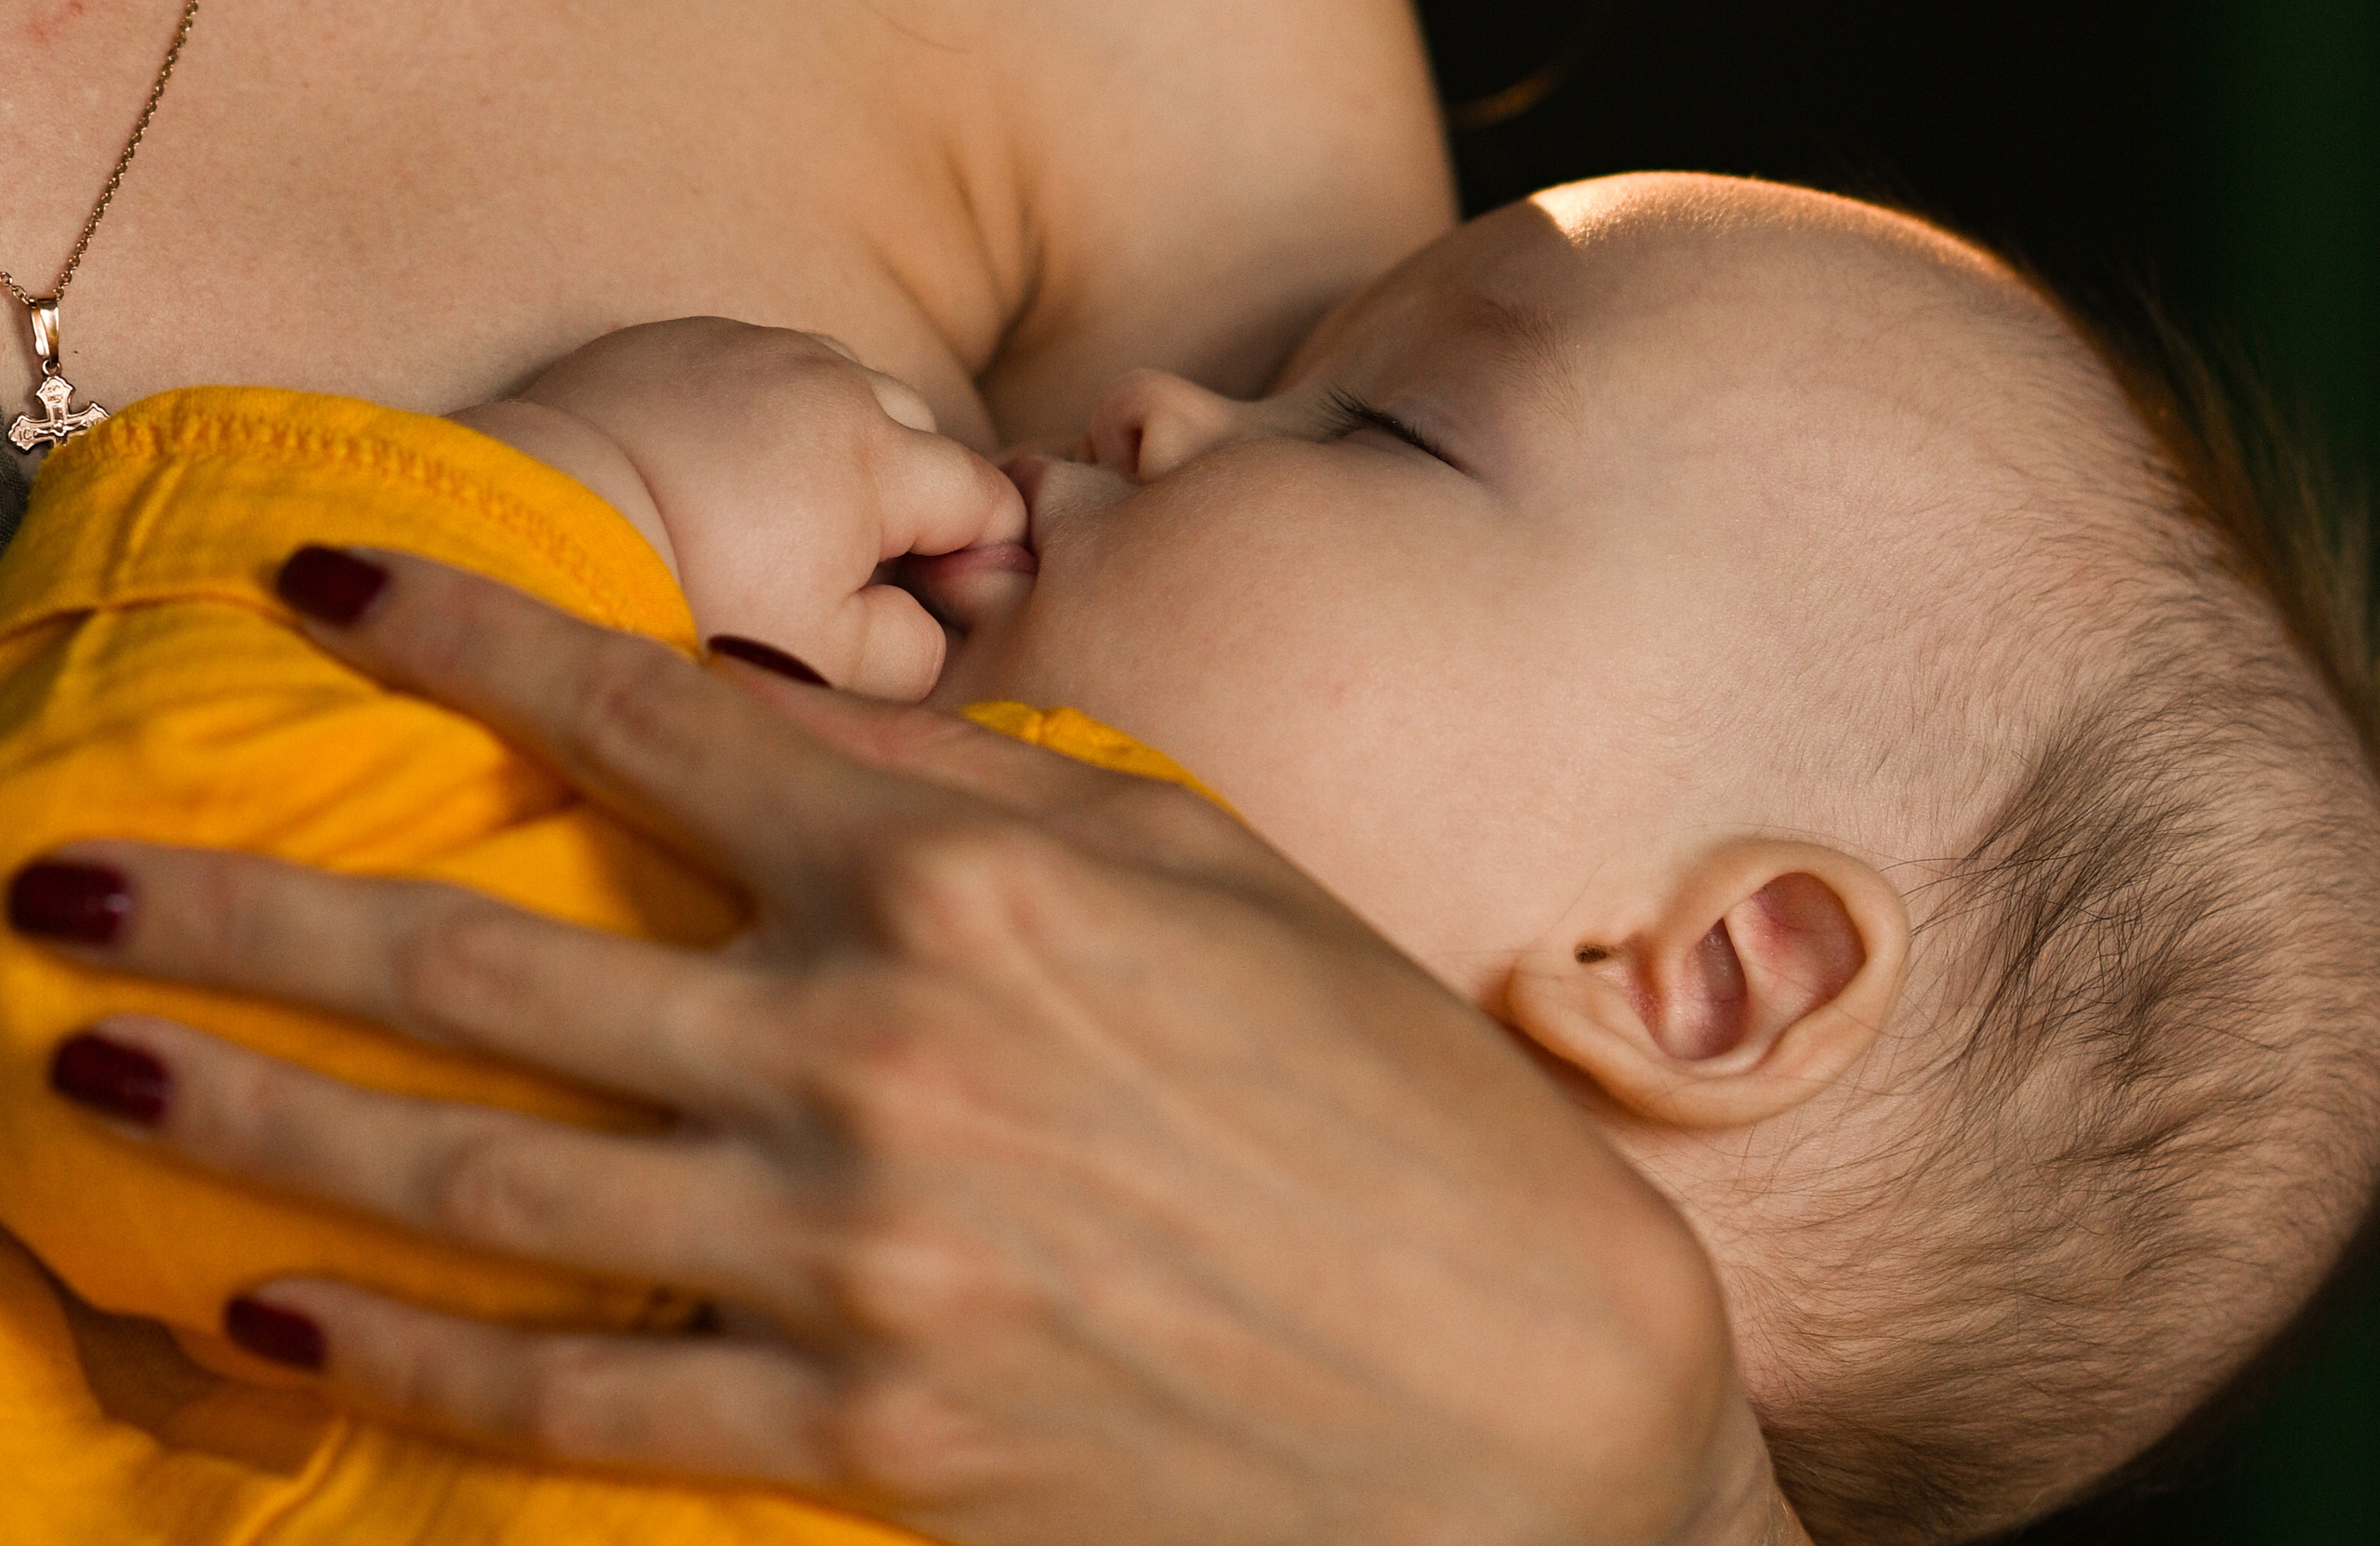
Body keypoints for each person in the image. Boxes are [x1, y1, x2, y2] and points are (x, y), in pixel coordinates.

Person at [8, 165, 2379, 1545]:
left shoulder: (848, 1152)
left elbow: (117, 920)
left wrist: (574, 496)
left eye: (1386, 424)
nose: (1149, 403)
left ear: (1709, 976)